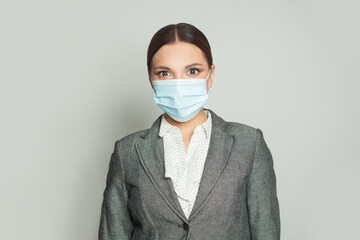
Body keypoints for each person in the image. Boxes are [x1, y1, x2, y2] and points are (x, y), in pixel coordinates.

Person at [98, 23, 280, 240]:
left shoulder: (249, 144)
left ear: (210, 75)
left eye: (192, 71)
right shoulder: (126, 152)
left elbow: (266, 232)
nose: (178, 85)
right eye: (165, 73)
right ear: (151, 79)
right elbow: (113, 234)